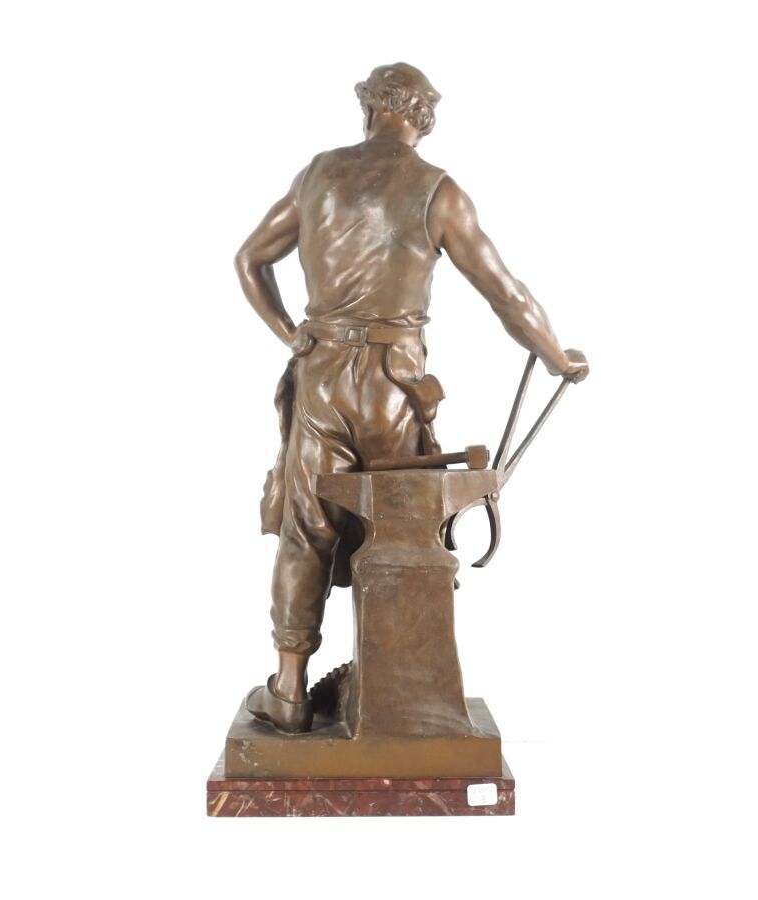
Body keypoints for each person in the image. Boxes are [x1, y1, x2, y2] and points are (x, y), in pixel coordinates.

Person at [235, 62, 589, 733]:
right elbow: (507, 295)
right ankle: (399, 684)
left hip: (321, 378)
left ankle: (289, 690)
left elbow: (249, 259)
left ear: (370, 109)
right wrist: (556, 357)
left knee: (306, 530)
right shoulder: (438, 192)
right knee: (399, 531)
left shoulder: (317, 176)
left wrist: (293, 335)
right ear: (422, 120)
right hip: (393, 391)